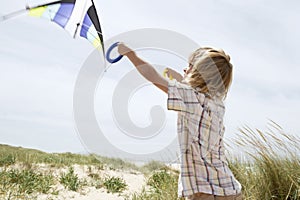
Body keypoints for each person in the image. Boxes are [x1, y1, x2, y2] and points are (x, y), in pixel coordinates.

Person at [117, 43, 243, 200]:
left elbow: (153, 76)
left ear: (199, 73)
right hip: (229, 189)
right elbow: (197, 92)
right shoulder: (217, 104)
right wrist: (180, 78)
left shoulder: (189, 97)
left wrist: (131, 54)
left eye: (190, 66)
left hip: (206, 192)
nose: (185, 69)